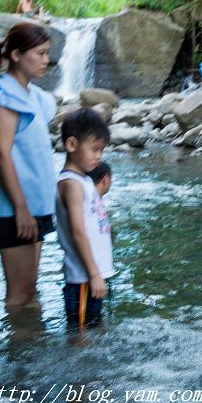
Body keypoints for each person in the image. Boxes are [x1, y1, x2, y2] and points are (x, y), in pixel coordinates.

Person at [0, 22, 56, 308]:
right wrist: (21, 209)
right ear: (16, 55)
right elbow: (0, 154)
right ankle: (18, 352)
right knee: (20, 296)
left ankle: (32, 351)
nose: (46, 60)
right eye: (39, 53)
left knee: (31, 292)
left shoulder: (32, 96)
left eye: (47, 53)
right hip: (14, 209)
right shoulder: (4, 97)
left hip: (35, 205)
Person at [56, 109, 115, 329]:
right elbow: (78, 232)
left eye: (101, 150)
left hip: (92, 276)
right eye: (94, 149)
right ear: (71, 145)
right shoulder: (71, 184)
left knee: (93, 328)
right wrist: (94, 274)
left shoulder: (84, 181)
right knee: (79, 335)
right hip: (83, 277)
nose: (99, 156)